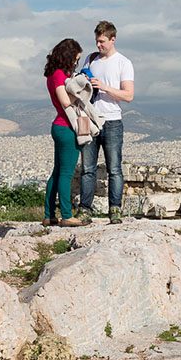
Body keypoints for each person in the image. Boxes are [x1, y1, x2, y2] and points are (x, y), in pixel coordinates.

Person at [78, 21, 134, 224]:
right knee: (87, 168)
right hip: (89, 119)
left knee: (114, 168)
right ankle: (85, 209)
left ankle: (115, 209)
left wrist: (104, 87)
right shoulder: (90, 59)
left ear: (112, 39)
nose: (98, 45)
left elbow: (128, 95)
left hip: (112, 121)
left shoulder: (123, 63)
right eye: (96, 41)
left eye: (102, 41)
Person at [43, 38, 91, 227]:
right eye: (75, 59)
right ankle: (66, 215)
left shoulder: (53, 73)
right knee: (65, 173)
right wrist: (81, 87)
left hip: (59, 126)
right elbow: (65, 100)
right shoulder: (58, 74)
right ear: (68, 56)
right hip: (66, 127)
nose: (75, 63)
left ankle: (49, 214)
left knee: (56, 173)